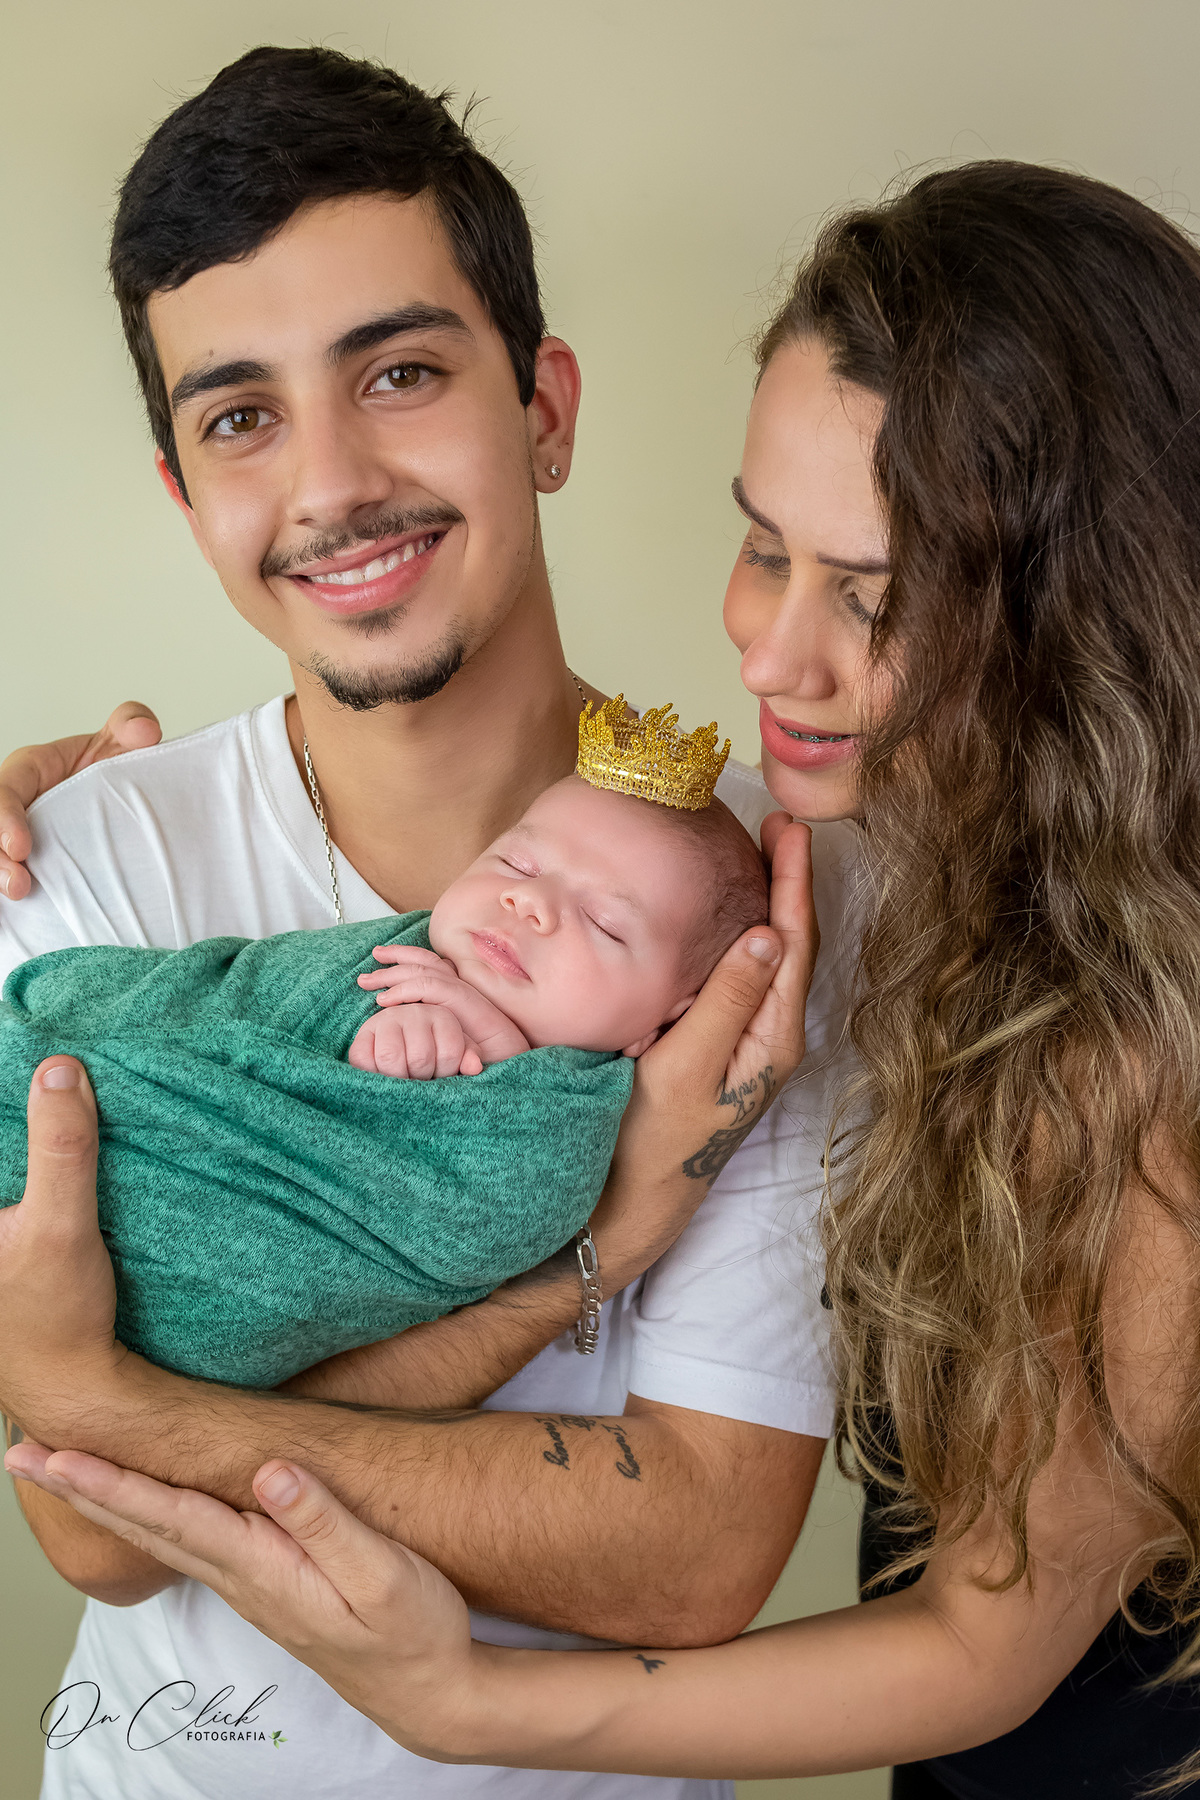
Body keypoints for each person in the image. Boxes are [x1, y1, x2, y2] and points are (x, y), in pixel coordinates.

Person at [15, 159, 1200, 1796]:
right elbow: (86, 1530)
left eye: (875, 592)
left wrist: (459, 1697)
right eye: (762, 545)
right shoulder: (911, 876)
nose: (773, 655)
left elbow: (876, 1606)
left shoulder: (899, 953)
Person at [0, 43, 839, 1800]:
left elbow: (688, 1553)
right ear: (183, 497)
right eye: (239, 416)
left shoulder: (757, 910)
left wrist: (152, 1419)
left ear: (544, 410)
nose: (329, 485)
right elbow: (97, 1536)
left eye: (396, 372)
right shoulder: (79, 869)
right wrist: (599, 1240)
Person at [0, 754, 768, 1389]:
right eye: (517, 860)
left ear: (668, 1022)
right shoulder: (394, 955)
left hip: (222, 1272)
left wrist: (483, 1064)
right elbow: (244, 992)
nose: (527, 902)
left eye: (605, 923)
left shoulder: (574, 1118)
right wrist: (365, 1016)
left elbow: (490, 1219)